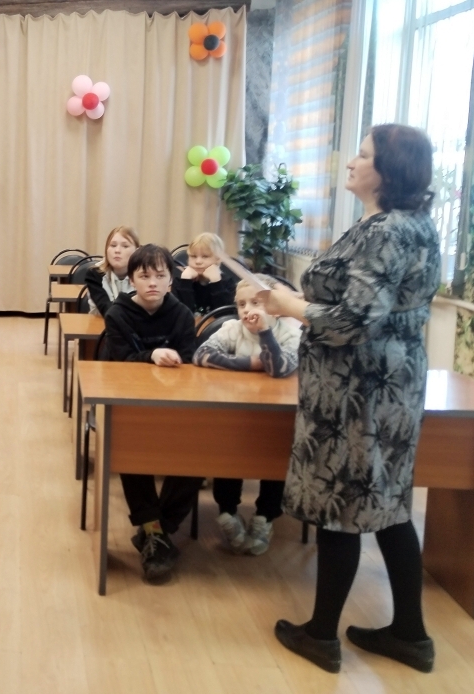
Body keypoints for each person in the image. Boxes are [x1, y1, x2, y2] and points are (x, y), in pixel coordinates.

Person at [263, 124, 440, 674]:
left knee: (338, 503)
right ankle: (410, 635)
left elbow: (355, 320)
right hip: (390, 384)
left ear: (388, 171)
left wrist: (288, 306)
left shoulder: (387, 230)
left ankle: (321, 635)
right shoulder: (410, 224)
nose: (351, 162)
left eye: (362, 155)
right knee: (388, 504)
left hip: (358, 390)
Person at [102, 244, 200, 582]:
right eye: (144, 276)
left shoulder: (182, 314)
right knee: (129, 450)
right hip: (132, 404)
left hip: (176, 404)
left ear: (171, 280)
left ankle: (155, 531)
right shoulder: (117, 314)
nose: (153, 283)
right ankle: (156, 534)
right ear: (131, 280)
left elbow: (190, 359)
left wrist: (177, 360)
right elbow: (120, 361)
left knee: (200, 454)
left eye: (160, 276)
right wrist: (152, 355)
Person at [193, 275, 300, 555]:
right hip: (236, 416)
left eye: (256, 303)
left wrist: (265, 333)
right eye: (241, 304)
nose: (247, 310)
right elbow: (201, 355)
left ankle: (265, 517)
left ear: (275, 306)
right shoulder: (232, 328)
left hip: (276, 420)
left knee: (275, 459)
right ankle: (228, 513)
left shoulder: (290, 334)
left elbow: (279, 368)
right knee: (230, 456)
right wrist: (252, 363)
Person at [174, 232, 237, 315]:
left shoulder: (228, 283)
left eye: (205, 256)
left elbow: (225, 316)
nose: (198, 261)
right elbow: (181, 315)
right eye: (193, 256)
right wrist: (186, 282)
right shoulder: (180, 282)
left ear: (218, 259)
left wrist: (216, 282)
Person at [84, 226, 140, 316]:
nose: (117, 250)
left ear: (137, 251)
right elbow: (106, 308)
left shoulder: (144, 275)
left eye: (125, 246)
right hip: (101, 323)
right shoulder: (94, 273)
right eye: (113, 245)